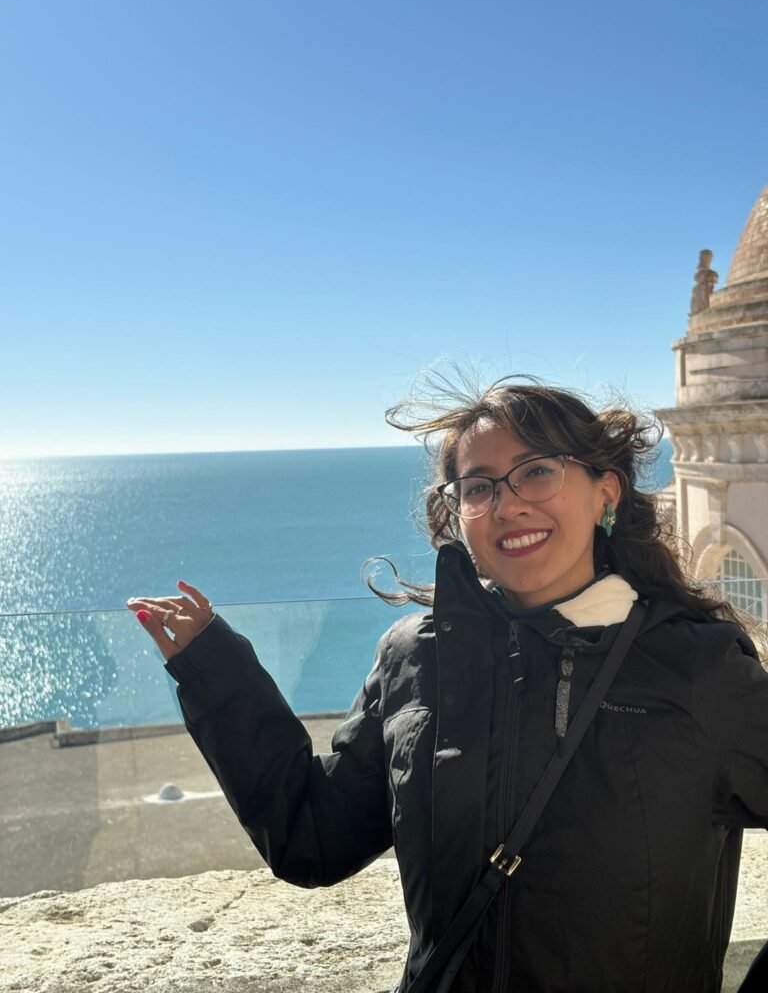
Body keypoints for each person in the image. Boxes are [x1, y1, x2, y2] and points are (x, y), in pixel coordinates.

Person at [127, 376, 768, 993]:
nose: (508, 503)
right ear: (457, 514)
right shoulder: (415, 657)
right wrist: (216, 671)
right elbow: (314, 839)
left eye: (538, 471)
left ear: (606, 491)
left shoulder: (697, 667)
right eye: (479, 487)